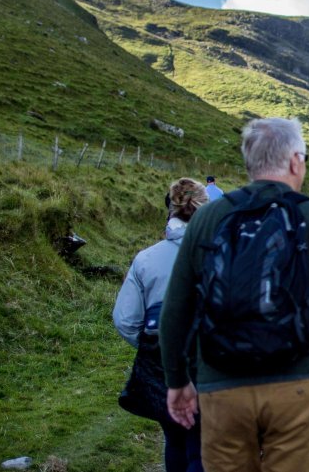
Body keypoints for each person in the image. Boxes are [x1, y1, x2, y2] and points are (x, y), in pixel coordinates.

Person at [159, 118, 309, 472]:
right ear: (294, 161)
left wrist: (177, 380)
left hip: (221, 386)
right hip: (301, 386)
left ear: (251, 163)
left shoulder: (208, 218)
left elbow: (176, 310)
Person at [113, 177, 208, 472]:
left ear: (170, 209)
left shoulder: (146, 259)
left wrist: (156, 349)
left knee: (175, 440)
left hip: (164, 369)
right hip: (212, 365)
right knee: (203, 445)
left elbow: (126, 321)